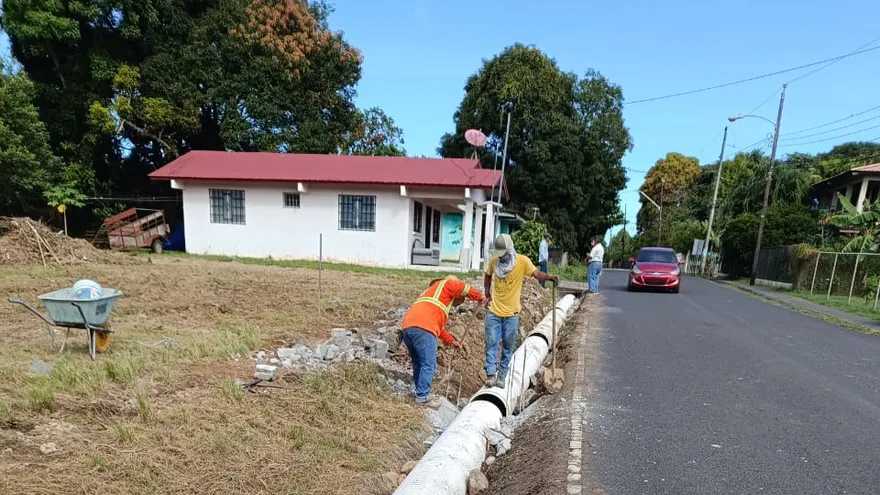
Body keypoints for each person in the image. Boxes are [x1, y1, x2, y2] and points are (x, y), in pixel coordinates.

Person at [484, 234, 559, 388]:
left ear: (509, 249)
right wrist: (487, 293)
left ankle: (502, 375)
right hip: (494, 312)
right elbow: (487, 275)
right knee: (491, 343)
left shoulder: (522, 261)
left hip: (511, 315)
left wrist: (549, 277)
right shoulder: (494, 262)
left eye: (503, 253)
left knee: (508, 346)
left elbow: (536, 274)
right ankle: (491, 374)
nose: (501, 257)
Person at [400, 275, 486, 408]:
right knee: (428, 363)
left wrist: (451, 341)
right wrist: (480, 296)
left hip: (408, 327)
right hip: (424, 328)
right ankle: (423, 397)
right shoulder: (448, 284)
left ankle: (419, 392)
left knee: (418, 362)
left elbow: (439, 328)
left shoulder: (431, 296)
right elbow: (463, 287)